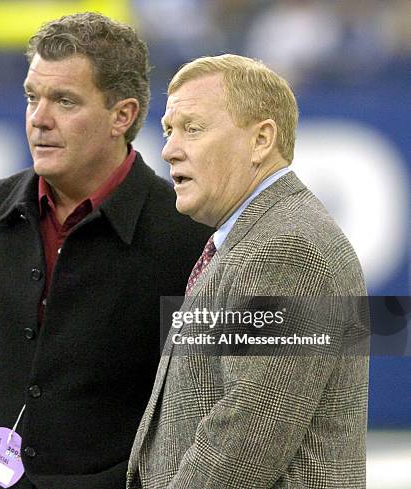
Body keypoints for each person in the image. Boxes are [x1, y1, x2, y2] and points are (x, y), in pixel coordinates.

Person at [0, 12, 211, 489]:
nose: (39, 119)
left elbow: (214, 417)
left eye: (64, 101)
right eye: (31, 97)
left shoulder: (189, 237)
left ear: (121, 116)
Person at [127, 54, 369, 489]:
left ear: (261, 140)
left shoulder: (287, 249)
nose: (168, 149)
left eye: (193, 129)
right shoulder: (257, 239)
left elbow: (244, 439)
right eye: (168, 131)